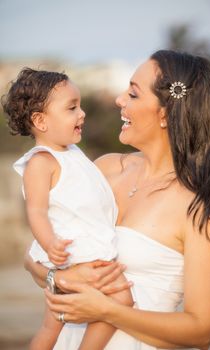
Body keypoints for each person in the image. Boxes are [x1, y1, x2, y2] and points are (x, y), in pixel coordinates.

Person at [26, 50, 210, 350]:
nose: (119, 100)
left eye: (133, 94)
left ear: (165, 113)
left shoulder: (199, 208)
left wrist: (106, 311)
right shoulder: (103, 169)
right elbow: (32, 259)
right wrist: (59, 278)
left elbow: (201, 331)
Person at [2, 68, 133, 350]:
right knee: (120, 300)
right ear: (40, 121)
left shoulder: (72, 153)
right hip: (73, 253)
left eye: (81, 105)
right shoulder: (41, 161)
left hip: (82, 249)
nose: (82, 113)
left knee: (53, 324)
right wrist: (51, 245)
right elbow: (36, 212)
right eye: (72, 108)